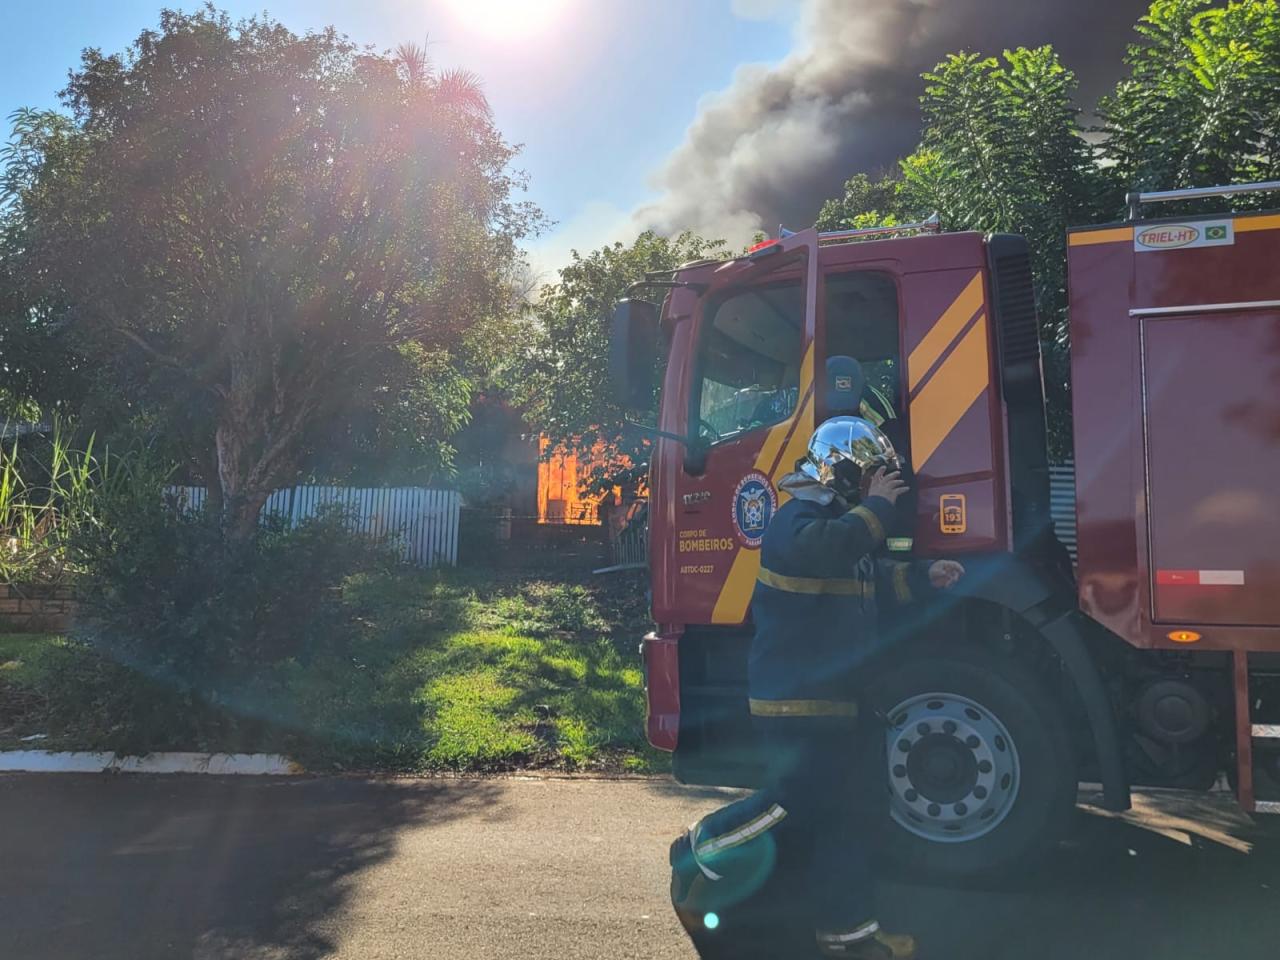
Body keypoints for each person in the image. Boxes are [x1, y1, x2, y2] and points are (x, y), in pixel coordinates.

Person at [671, 416, 965, 959]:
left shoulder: (837, 523)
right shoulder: (795, 520)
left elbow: (867, 578)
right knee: (795, 802)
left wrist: (925, 578)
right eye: (872, 473)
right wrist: (877, 507)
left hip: (836, 702)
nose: (880, 484)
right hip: (795, 705)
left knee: (845, 817)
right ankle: (699, 846)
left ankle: (849, 935)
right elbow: (826, 549)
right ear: (844, 470)